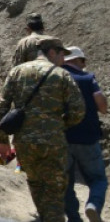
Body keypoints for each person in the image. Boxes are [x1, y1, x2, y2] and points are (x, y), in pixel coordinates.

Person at [0, 36, 86, 222]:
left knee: (36, 184)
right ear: (51, 52)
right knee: (54, 191)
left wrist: (2, 141)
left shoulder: (16, 72)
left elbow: (3, 108)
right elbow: (78, 110)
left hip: (24, 144)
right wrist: (61, 125)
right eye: (62, 54)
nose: (63, 60)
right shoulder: (61, 75)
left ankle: (46, 217)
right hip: (52, 143)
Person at [62, 46, 107, 222]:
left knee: (66, 183)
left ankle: (74, 218)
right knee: (98, 179)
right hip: (87, 138)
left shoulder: (54, 78)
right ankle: (93, 205)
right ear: (78, 60)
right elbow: (102, 107)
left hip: (62, 138)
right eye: (84, 61)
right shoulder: (87, 78)